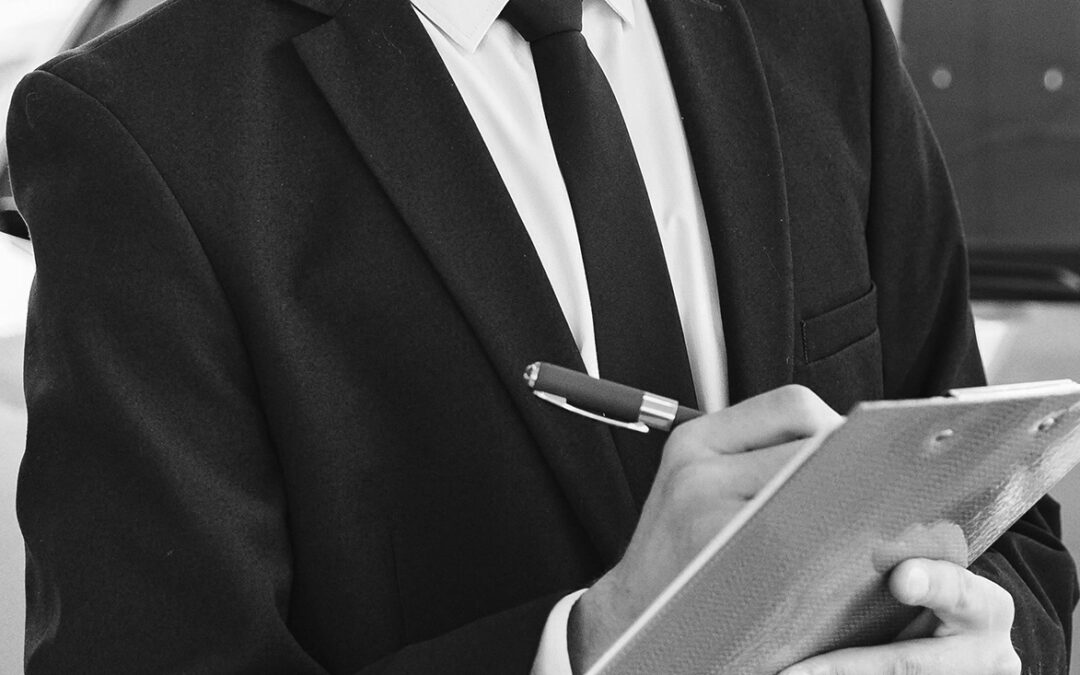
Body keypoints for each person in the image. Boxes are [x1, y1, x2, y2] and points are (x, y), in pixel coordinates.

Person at [5, 0, 1076, 673]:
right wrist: (599, 647)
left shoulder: (821, 28)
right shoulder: (140, 125)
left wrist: (999, 650)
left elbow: (1010, 526)